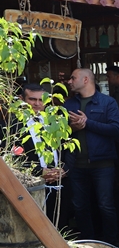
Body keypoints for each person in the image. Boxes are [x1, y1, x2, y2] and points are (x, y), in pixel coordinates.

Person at [63, 68, 119, 244]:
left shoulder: (108, 102)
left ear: (86, 80)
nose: (69, 81)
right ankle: (87, 244)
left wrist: (88, 123)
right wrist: (72, 128)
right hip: (76, 165)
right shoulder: (68, 105)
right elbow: (60, 135)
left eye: (73, 78)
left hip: (102, 164)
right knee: (80, 206)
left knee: (106, 206)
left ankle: (111, 245)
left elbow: (115, 129)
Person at [18, 83, 65, 222]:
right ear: (22, 100)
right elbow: (13, 158)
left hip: (60, 182)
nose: (37, 104)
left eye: (41, 100)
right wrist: (40, 172)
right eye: (32, 99)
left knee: (60, 223)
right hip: (30, 186)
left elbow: (68, 149)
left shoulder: (55, 121)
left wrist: (64, 169)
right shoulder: (12, 126)